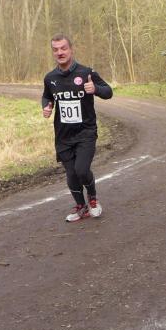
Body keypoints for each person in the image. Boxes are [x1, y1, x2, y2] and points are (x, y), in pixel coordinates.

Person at [42, 34, 113, 222]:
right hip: (63, 136)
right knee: (71, 174)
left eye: (63, 48)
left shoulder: (86, 73)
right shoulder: (50, 78)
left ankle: (93, 200)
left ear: (71, 50)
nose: (60, 52)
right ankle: (81, 207)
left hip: (85, 133)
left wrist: (95, 89)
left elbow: (108, 92)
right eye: (55, 50)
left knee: (81, 170)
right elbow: (47, 96)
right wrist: (47, 106)